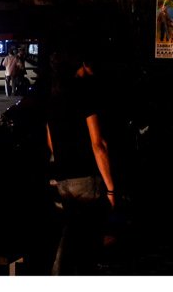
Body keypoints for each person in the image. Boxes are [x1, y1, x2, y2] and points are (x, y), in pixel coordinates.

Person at [46, 50, 116, 275]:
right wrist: (111, 188)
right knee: (87, 239)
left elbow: (50, 140)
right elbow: (98, 144)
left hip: (62, 176)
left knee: (70, 233)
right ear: (83, 65)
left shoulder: (55, 94)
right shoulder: (85, 91)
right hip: (85, 176)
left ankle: (59, 274)